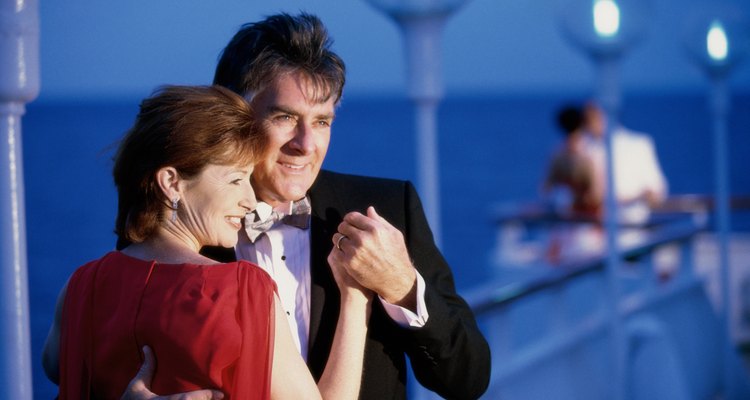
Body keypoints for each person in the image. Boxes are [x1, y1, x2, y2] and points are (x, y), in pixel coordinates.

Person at [127, 12, 491, 400]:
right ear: (232, 116)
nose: (305, 143)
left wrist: (401, 285)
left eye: (322, 122)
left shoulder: (387, 207)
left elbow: (467, 379)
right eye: (284, 117)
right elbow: (115, 363)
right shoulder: (174, 227)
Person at [42, 85, 372, 399]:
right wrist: (356, 299)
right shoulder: (242, 293)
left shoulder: (79, 289)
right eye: (235, 180)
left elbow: (58, 371)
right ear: (172, 182)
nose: (249, 199)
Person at [582, 101, 668, 226]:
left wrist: (642, 196)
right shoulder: (583, 149)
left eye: (594, 117)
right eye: (587, 119)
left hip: (633, 228)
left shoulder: (639, 145)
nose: (590, 124)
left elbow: (657, 189)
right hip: (594, 229)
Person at [542, 105, 604, 264]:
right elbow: (596, 194)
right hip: (585, 226)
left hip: (563, 225)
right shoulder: (589, 154)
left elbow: (546, 188)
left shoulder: (557, 154)